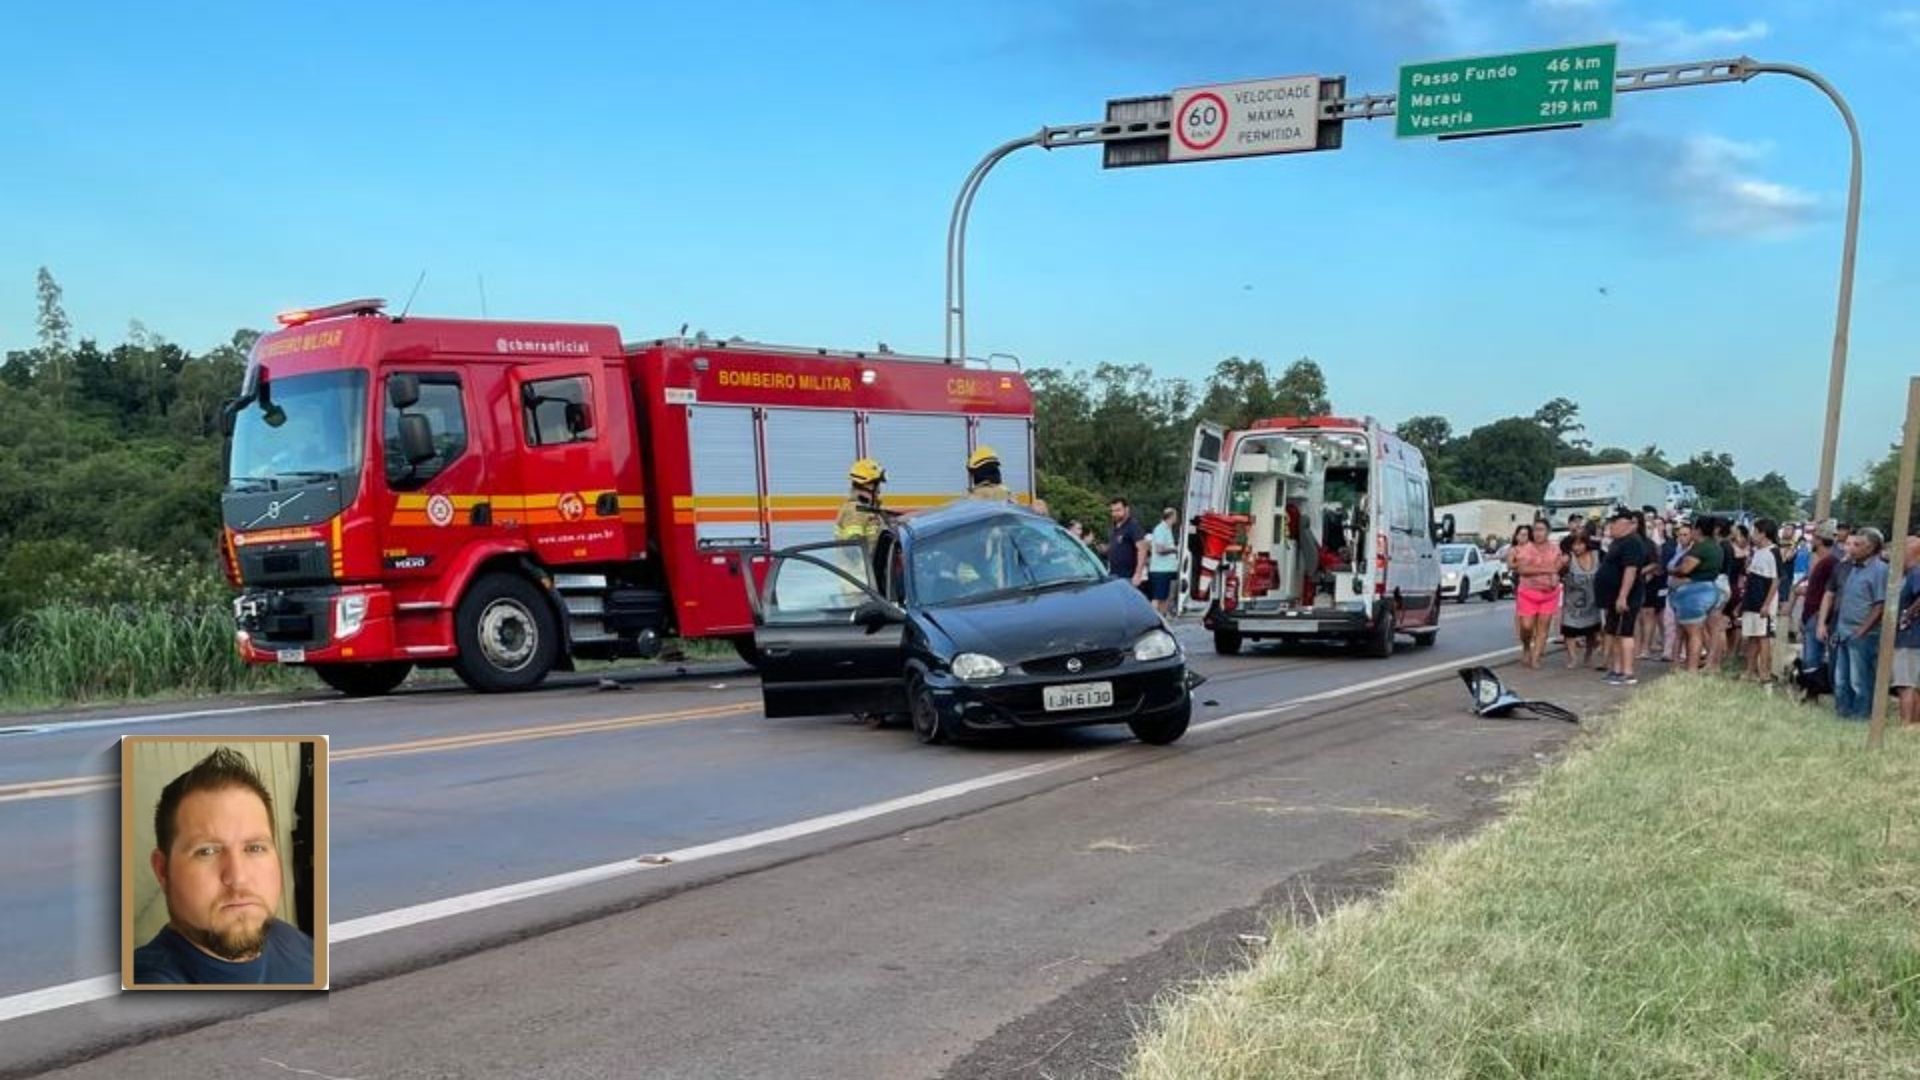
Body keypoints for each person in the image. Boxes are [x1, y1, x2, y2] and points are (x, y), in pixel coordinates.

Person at [134, 748, 315, 985]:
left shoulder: (295, 942)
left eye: (255, 848)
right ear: (162, 870)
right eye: (207, 851)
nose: (238, 877)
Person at [1821, 527, 1889, 721]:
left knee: (1859, 679)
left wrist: (1862, 630)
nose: (1853, 548)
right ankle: (1842, 713)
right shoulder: (1853, 567)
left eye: (1858, 545)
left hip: (1863, 633)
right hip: (1843, 629)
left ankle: (1860, 715)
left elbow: (1879, 605)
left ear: (1871, 547)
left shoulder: (1880, 570)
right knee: (1841, 677)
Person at [1596, 508, 1648, 686]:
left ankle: (1628, 671)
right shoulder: (1617, 542)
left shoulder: (1632, 543)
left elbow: (1630, 570)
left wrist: (1623, 596)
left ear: (1626, 524)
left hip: (1626, 596)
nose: (1611, 526)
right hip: (1612, 595)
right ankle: (1617, 669)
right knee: (1615, 632)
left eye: (1615, 522)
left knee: (1625, 632)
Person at [1668, 520, 1722, 674]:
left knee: (1693, 633)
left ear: (1698, 530)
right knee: (1709, 631)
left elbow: (1685, 569)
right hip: (1711, 588)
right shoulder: (1716, 547)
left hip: (1694, 592)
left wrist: (1672, 570)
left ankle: (1691, 669)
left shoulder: (1700, 547)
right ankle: (1711, 664)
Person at [1511, 520, 1566, 670]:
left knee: (1543, 626)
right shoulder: (1526, 549)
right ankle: (1526, 646)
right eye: (1535, 530)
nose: (1538, 533)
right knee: (1526, 626)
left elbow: (1557, 567)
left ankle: (1536, 658)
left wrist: (1556, 572)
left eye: (1541, 530)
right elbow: (1522, 569)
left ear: (1548, 532)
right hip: (1528, 592)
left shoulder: (1555, 549)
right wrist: (1546, 570)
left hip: (1549, 593)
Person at [1740, 518, 1780, 682]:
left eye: (1755, 532)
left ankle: (1764, 672)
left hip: (1764, 602)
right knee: (1752, 636)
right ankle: (1749, 670)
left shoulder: (1774, 552)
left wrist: (1767, 604)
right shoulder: (1757, 552)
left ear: (1763, 534)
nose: (1752, 535)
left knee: (1763, 637)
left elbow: (1776, 580)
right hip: (1752, 600)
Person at [1797, 525, 1840, 675]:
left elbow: (1832, 591)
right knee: (1809, 653)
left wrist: (1821, 614)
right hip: (1811, 613)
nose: (1811, 541)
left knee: (1812, 657)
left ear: (1820, 540)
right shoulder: (1822, 561)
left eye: (1814, 538)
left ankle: (1812, 683)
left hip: (1817, 614)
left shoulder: (1830, 563)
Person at [1558, 532, 1602, 670]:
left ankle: (1588, 656)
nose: (1577, 548)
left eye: (1580, 544)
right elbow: (1558, 572)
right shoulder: (1568, 558)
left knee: (1591, 632)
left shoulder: (1596, 555)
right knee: (1569, 631)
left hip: (1592, 601)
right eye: (1574, 545)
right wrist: (1563, 565)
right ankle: (1572, 658)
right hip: (1572, 602)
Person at [1894, 535, 1920, 728]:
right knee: (1913, 684)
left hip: (1910, 638)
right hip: (1910, 637)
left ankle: (1905, 724)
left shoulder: (1916, 573)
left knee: (1905, 683)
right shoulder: (1908, 574)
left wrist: (1907, 615)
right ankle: (1914, 723)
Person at [834, 458, 889, 542]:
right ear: (867, 485)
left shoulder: (866, 510)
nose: (879, 491)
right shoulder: (855, 512)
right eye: (876, 485)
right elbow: (853, 547)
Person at [1107, 497, 1149, 591]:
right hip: (1114, 576)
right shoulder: (1114, 527)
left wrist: (1138, 573)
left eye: (1118, 510)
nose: (1114, 514)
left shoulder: (1133, 526)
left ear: (1127, 509)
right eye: (1112, 511)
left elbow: (1142, 549)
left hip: (1129, 577)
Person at [1146, 507, 1180, 615]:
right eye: (1175, 515)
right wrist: (1175, 549)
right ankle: (1152, 619)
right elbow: (1159, 549)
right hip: (1160, 570)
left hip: (1167, 569)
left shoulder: (1168, 529)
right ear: (1171, 516)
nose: (1176, 518)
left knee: (1165, 598)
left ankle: (1162, 619)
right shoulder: (1160, 529)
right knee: (1157, 598)